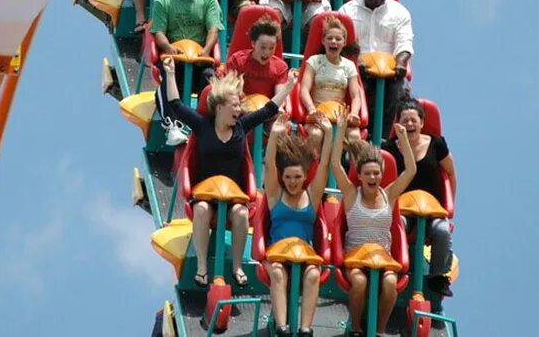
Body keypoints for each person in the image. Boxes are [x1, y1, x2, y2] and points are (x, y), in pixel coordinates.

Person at [162, 57, 297, 288]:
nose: (239, 109)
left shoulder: (241, 126)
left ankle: (236, 266)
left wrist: (290, 86)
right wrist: (171, 73)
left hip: (234, 193)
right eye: (234, 105)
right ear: (220, 107)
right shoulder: (202, 124)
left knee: (241, 214)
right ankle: (203, 267)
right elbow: (175, 105)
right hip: (204, 193)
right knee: (203, 210)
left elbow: (269, 109)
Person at [330, 114, 416, 337]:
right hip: (355, 256)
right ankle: (357, 327)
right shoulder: (351, 194)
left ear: (382, 175)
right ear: (359, 176)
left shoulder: (389, 195)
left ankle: (378, 330)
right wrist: (340, 131)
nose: (372, 177)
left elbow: (411, 171)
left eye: (376, 173)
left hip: (382, 257)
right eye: (367, 173)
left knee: (389, 283)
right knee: (358, 282)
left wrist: (404, 139)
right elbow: (335, 164)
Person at [263, 111, 333, 336]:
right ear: (282, 178)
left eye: (297, 177)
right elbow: (268, 167)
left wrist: (329, 134)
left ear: (304, 177)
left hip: (305, 256)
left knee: (313, 274)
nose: (292, 182)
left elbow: (323, 166)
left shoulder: (312, 196)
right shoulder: (275, 195)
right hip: (277, 255)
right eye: (288, 178)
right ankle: (282, 328)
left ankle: (305, 329)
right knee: (277, 273)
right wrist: (274, 135)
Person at [383, 98, 457, 298]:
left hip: (432, 207)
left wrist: (449, 206)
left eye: (413, 120)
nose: (409, 124)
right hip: (403, 206)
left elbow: (450, 174)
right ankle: (392, 268)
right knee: (397, 227)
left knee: (441, 231)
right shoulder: (390, 148)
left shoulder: (437, 144)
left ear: (422, 123)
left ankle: (438, 276)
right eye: (405, 120)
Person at [152, 0, 224, 145]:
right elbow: (158, 32)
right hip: (173, 57)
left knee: (213, 81)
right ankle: (172, 127)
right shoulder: (163, 1)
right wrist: (168, 48)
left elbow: (213, 29)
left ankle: (208, 126)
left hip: (200, 59)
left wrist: (207, 49)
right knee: (168, 79)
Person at [339, 0, 414, 140]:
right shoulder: (347, 10)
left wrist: (401, 62)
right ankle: (357, 134)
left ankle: (382, 138)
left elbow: (405, 43)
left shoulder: (400, 12)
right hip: (357, 67)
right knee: (357, 88)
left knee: (400, 90)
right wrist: (355, 61)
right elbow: (342, 40)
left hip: (389, 71)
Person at [298, 16, 361, 158]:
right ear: (323, 41)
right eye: (330, 38)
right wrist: (311, 110)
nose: (334, 42)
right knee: (315, 134)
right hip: (318, 114)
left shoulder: (349, 65)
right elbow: (304, 89)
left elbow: (356, 95)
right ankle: (312, 175)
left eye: (338, 39)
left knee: (355, 136)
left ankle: (354, 177)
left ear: (344, 43)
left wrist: (354, 113)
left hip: (340, 116)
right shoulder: (314, 61)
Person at [225, 15, 288, 99]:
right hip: (239, 107)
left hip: (268, 109)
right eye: (263, 47)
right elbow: (229, 92)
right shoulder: (237, 61)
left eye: (271, 48)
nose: (267, 52)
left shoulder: (281, 68)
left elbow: (279, 97)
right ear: (253, 43)